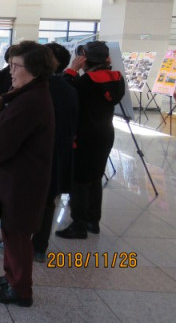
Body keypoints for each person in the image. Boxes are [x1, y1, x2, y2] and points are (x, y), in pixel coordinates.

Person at [0, 41, 56, 307]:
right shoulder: (28, 94)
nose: (10, 71)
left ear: (33, 68)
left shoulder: (31, 101)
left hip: (23, 180)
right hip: (16, 177)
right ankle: (10, 277)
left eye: (15, 66)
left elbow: (5, 143)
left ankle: (21, 290)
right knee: (11, 231)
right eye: (10, 64)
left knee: (18, 234)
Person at [55, 40, 125, 239]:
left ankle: (79, 225)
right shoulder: (118, 79)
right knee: (95, 178)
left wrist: (72, 69)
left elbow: (62, 90)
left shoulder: (85, 82)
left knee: (79, 180)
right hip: (105, 133)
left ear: (84, 59)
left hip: (84, 136)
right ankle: (93, 221)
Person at [31, 42, 78, 262]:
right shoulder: (69, 90)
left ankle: (18, 242)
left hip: (34, 155)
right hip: (57, 154)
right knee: (48, 201)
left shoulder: (36, 88)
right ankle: (40, 246)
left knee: (24, 199)